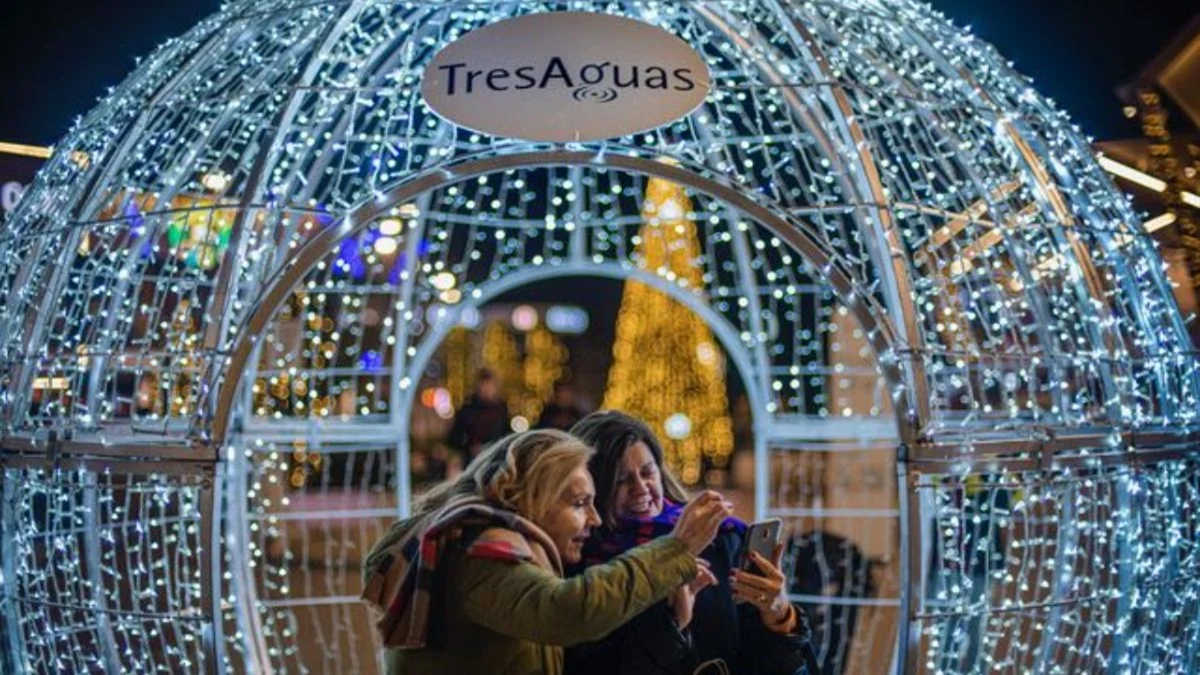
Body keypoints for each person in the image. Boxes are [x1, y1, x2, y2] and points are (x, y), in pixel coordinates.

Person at [361, 428, 733, 675]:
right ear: (534, 498)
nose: (595, 519)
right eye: (580, 503)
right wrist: (675, 548)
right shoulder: (477, 553)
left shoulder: (512, 550)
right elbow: (567, 610)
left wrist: (672, 619)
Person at [565, 411, 816, 675]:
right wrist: (672, 622)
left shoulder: (722, 540)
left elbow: (769, 663)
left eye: (648, 472)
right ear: (591, 489)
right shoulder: (580, 560)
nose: (641, 488)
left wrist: (780, 618)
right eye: (621, 480)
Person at [446, 368, 510, 461]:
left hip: (496, 458)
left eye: (489, 386)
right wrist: (469, 449)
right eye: (483, 386)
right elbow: (455, 439)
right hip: (471, 460)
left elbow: (506, 435)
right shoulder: (468, 411)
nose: (486, 390)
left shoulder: (501, 411)